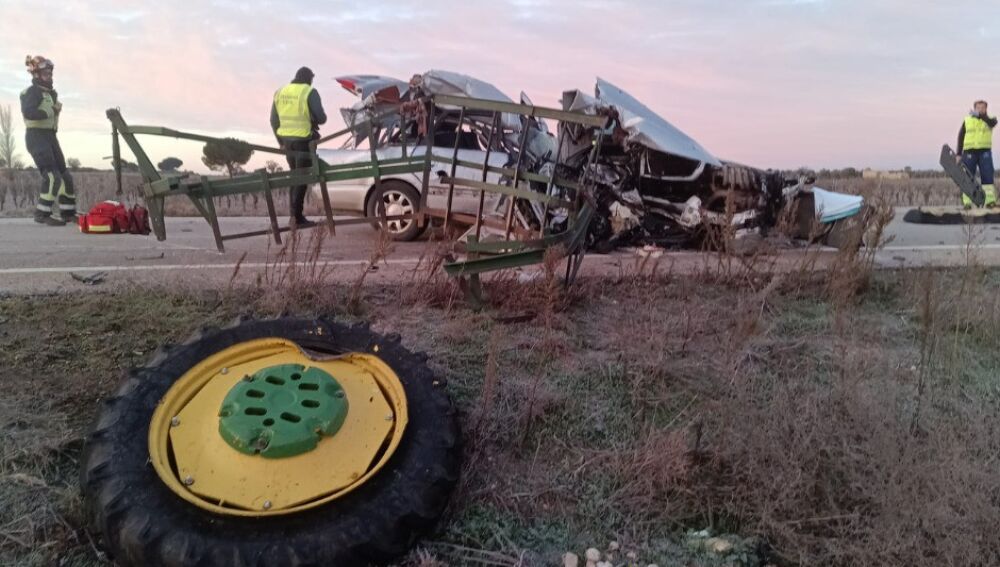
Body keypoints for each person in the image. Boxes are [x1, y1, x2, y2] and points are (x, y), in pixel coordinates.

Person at [21, 55, 75, 226]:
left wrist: (54, 110)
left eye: (50, 72)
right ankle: (42, 214)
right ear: (36, 75)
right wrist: (52, 111)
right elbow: (29, 113)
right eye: (45, 73)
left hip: (50, 136)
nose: (49, 75)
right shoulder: (32, 92)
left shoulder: (51, 93)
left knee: (65, 176)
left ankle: (68, 212)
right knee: (52, 177)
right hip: (36, 137)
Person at [270, 67, 327, 226]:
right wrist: (315, 117)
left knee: (294, 177)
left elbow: (273, 121)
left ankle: (293, 215)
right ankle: (296, 217)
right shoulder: (309, 91)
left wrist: (280, 142)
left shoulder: (280, 92)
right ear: (309, 78)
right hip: (303, 141)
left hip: (287, 143)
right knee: (302, 179)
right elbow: (322, 118)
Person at [956, 100, 998, 209]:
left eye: (983, 108)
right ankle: (967, 203)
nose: (980, 110)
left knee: (987, 176)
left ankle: (990, 202)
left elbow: (993, 123)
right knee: (968, 177)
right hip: (969, 152)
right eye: (978, 108)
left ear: (986, 109)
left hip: (985, 152)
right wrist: (958, 154)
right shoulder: (967, 120)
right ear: (974, 108)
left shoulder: (990, 120)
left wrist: (980, 116)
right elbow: (961, 136)